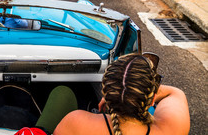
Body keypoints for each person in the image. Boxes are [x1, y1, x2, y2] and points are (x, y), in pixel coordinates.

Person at [53, 53, 190, 135]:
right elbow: (175, 92)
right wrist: (138, 92)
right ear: (152, 98)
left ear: (105, 95)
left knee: (62, 94)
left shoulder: (76, 123)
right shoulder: (173, 128)